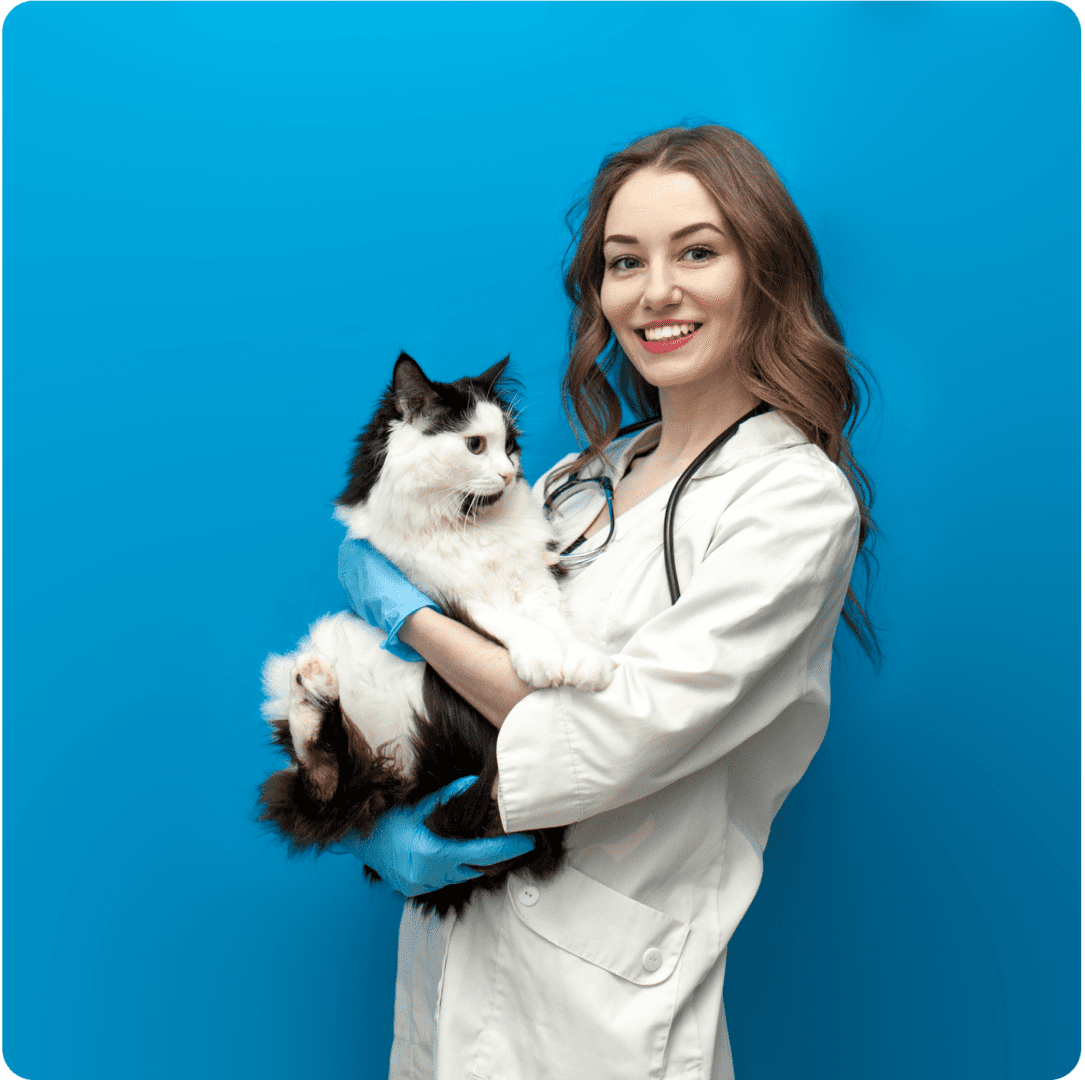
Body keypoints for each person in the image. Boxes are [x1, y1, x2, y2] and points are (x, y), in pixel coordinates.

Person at [337, 124, 875, 1080]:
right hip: (456, 961)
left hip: (605, 1007)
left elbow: (624, 729)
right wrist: (381, 831)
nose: (654, 291)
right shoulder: (571, 482)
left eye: (697, 252)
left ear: (764, 272)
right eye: (624, 262)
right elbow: (442, 709)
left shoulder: (792, 502)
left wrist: (405, 615)